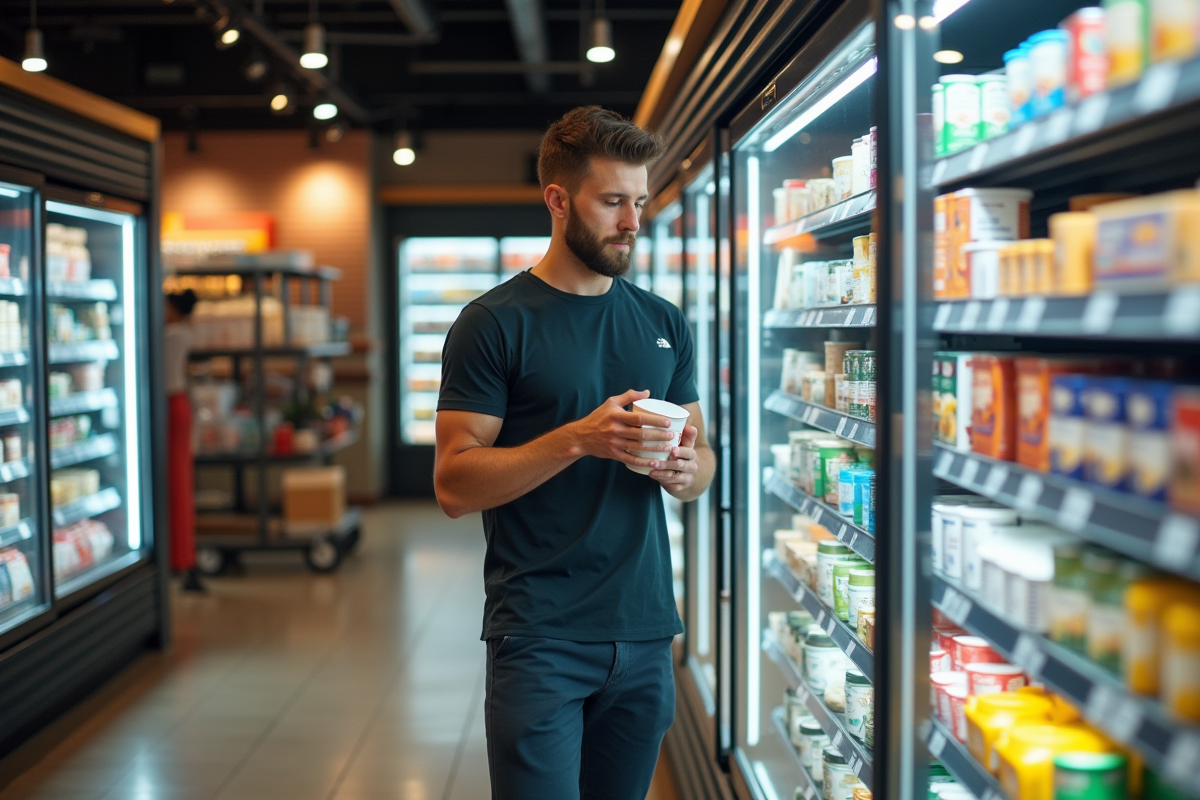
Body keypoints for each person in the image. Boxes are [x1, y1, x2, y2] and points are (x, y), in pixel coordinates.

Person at [433, 106, 716, 800]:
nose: (633, 221)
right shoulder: (492, 324)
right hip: (541, 636)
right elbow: (453, 485)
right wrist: (580, 439)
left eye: (640, 201)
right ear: (559, 201)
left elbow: (702, 459)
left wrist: (686, 469)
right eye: (613, 201)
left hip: (647, 628)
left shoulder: (662, 322)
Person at [164, 289, 204, 592]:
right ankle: (182, 555)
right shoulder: (182, 333)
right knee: (179, 482)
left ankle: (180, 556)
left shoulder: (173, 335)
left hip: (170, 407)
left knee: (176, 484)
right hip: (177, 407)